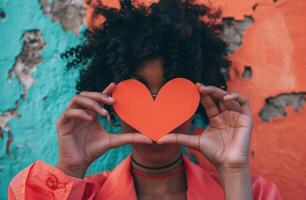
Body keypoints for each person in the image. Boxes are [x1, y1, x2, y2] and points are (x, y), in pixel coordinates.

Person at [8, 0, 281, 199]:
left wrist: (234, 173)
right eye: (136, 93)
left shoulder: (252, 193)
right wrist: (70, 167)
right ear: (109, 104)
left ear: (198, 100)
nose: (156, 114)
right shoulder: (77, 195)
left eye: (172, 94)